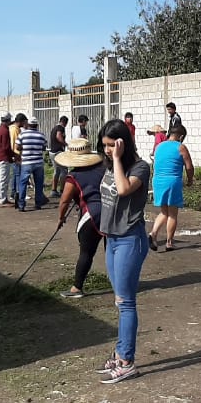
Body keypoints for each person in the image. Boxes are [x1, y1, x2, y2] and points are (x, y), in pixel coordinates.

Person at [96, 119, 150, 384]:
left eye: (111, 145)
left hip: (130, 239)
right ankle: (119, 353)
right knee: (119, 301)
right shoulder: (108, 165)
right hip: (113, 240)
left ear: (123, 143)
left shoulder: (140, 167)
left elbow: (124, 189)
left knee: (126, 302)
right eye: (104, 145)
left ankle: (127, 361)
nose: (107, 150)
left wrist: (117, 159)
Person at [54, 138, 107, 299]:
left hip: (91, 215)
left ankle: (77, 288)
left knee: (86, 252)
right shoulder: (104, 168)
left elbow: (64, 201)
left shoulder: (73, 176)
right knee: (112, 251)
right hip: (111, 212)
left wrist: (61, 218)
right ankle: (122, 285)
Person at [148, 124, 196, 252]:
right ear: (180, 136)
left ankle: (153, 234)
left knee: (164, 212)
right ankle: (169, 242)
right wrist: (190, 180)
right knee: (173, 214)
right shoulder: (181, 147)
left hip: (157, 181)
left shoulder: (159, 146)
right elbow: (189, 167)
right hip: (172, 181)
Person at [16, 118, 50, 211]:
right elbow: (44, 147)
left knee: (23, 183)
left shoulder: (22, 135)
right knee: (38, 184)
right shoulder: (41, 135)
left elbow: (17, 147)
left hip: (26, 162)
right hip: (38, 162)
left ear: (28, 125)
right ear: (37, 125)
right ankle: (38, 203)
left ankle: (21, 205)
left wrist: (25, 148)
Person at [0, 113, 15, 205]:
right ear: (8, 120)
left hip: (0, 156)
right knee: (4, 178)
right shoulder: (5, 131)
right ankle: (2, 198)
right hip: (4, 157)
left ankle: (3, 197)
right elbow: (6, 147)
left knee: (4, 178)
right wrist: (13, 155)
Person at [48, 118, 68, 195]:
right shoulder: (60, 127)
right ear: (64, 122)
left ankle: (53, 190)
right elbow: (58, 136)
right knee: (64, 170)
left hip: (52, 152)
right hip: (58, 152)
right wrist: (65, 144)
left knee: (56, 171)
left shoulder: (54, 127)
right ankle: (62, 190)